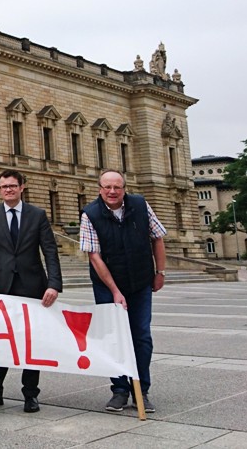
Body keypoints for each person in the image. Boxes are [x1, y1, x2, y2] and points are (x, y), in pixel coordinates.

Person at [0, 169, 61, 413]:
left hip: (33, 287)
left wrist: (54, 284)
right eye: (4, 186)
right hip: (1, 287)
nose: (8, 190)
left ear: (22, 187)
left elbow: (50, 251)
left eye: (12, 185)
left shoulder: (37, 215)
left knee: (31, 342)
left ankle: (30, 394)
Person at [80, 169, 166, 414]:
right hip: (107, 284)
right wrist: (115, 291)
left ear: (124, 189)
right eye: (107, 187)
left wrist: (160, 272)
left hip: (140, 281)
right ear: (100, 189)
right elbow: (94, 257)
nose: (112, 191)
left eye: (117, 187)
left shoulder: (140, 205)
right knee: (112, 336)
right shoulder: (90, 214)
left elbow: (158, 238)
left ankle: (141, 390)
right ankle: (119, 390)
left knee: (141, 335)